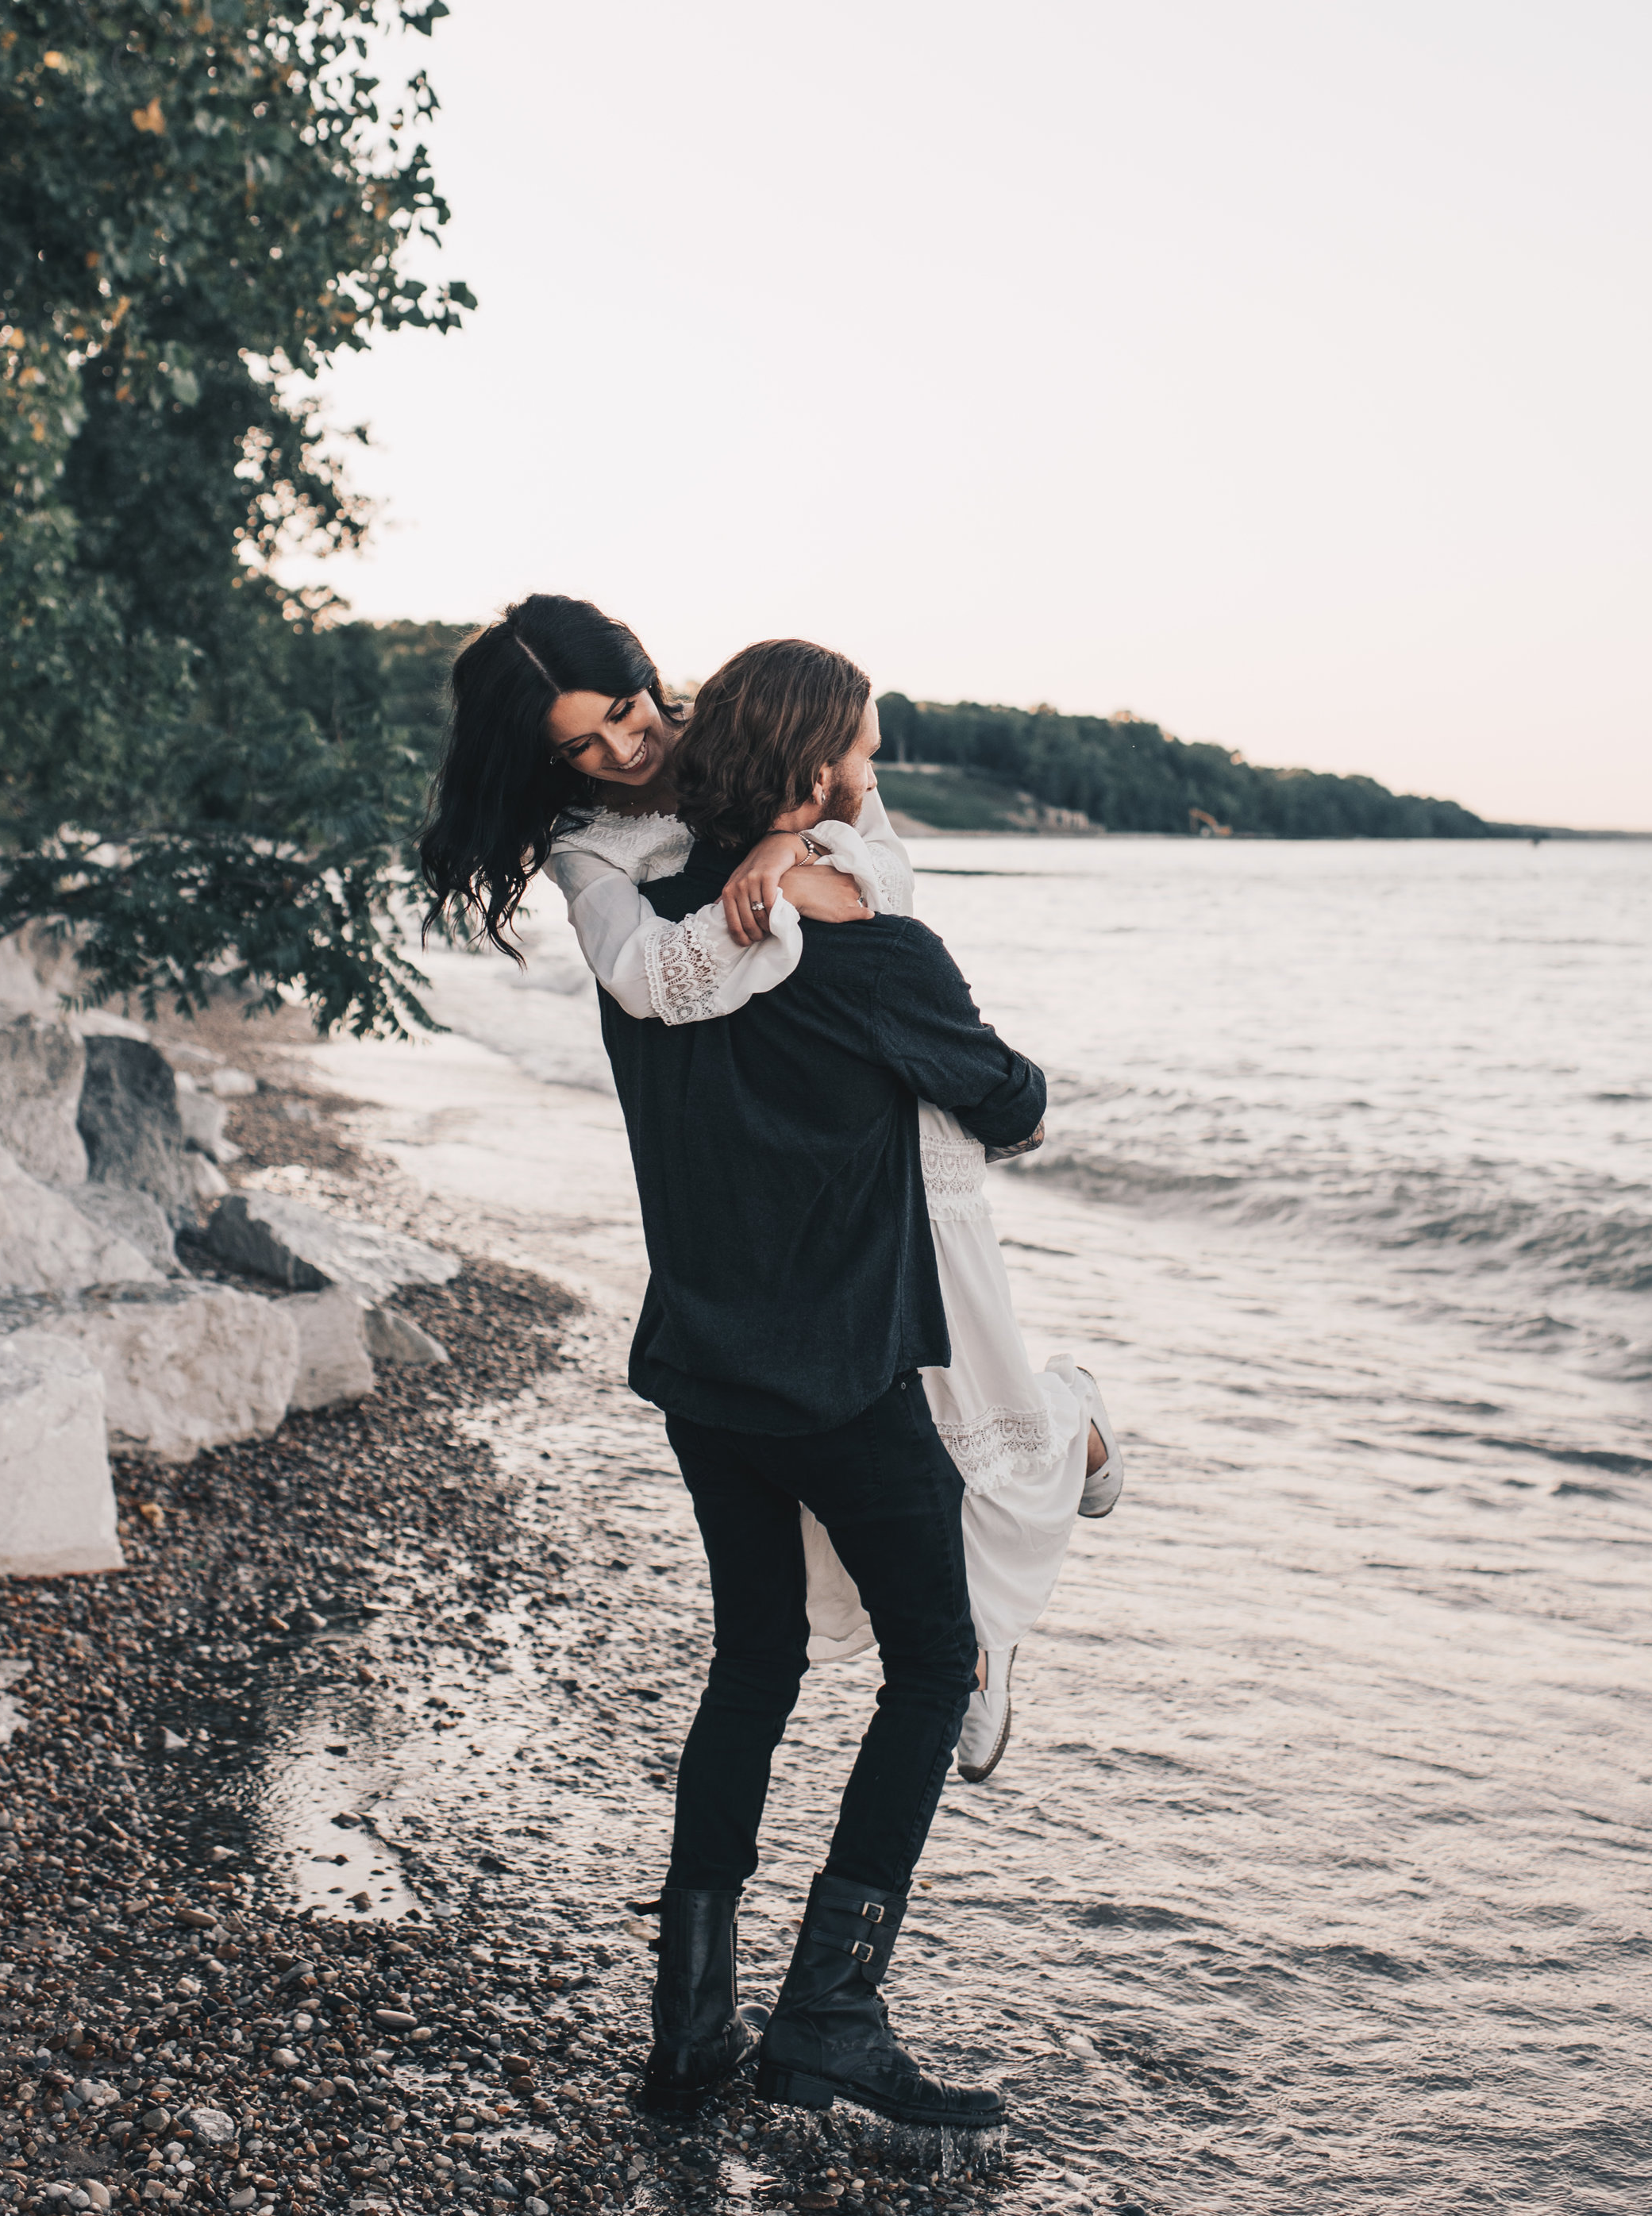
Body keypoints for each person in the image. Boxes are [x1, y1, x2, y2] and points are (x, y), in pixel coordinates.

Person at [420, 596, 1124, 1784]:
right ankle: (975, 1627)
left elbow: (888, 879)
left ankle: (986, 1620)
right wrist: (767, 889)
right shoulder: (587, 846)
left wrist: (785, 851)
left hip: (874, 1124)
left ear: (651, 675)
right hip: (751, 1173)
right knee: (878, 1442)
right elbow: (648, 976)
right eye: (583, 744)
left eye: (632, 710)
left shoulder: (759, 733)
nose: (628, 748)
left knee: (961, 1382)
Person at [595, 634, 1055, 2129]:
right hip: (843, 1383)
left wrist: (792, 844)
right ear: (814, 771)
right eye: (864, 747)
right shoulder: (874, 954)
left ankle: (689, 2030)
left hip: (701, 1374)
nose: (879, 769)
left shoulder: (652, 933)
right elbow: (1012, 1104)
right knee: (936, 1664)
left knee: (757, 1662)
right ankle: (829, 2020)